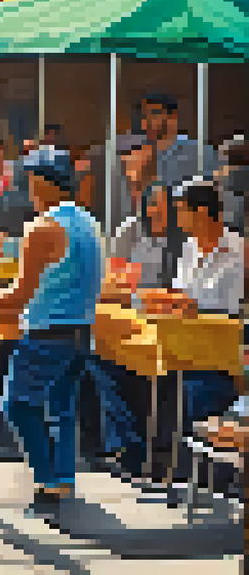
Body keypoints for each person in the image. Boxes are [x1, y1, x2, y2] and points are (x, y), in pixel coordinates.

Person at [0, 148, 139, 519]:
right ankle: (65, 479)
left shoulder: (42, 228)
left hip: (46, 333)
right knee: (61, 409)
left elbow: (18, 297)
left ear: (38, 182)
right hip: (81, 331)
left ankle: (47, 482)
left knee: (17, 405)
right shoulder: (88, 223)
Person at [170, 181, 244, 431]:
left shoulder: (239, 250)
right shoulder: (188, 248)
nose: (177, 216)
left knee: (198, 391)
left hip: (221, 349)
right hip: (186, 343)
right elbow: (180, 294)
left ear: (201, 212)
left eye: (181, 210)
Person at [111, 182, 185, 290]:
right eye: (153, 204)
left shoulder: (180, 236)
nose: (157, 211)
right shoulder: (130, 229)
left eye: (165, 206)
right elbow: (114, 272)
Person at [139, 92, 219, 190]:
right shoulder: (140, 157)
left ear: (172, 117)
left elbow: (216, 192)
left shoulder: (201, 153)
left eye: (154, 113)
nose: (147, 121)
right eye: (144, 116)